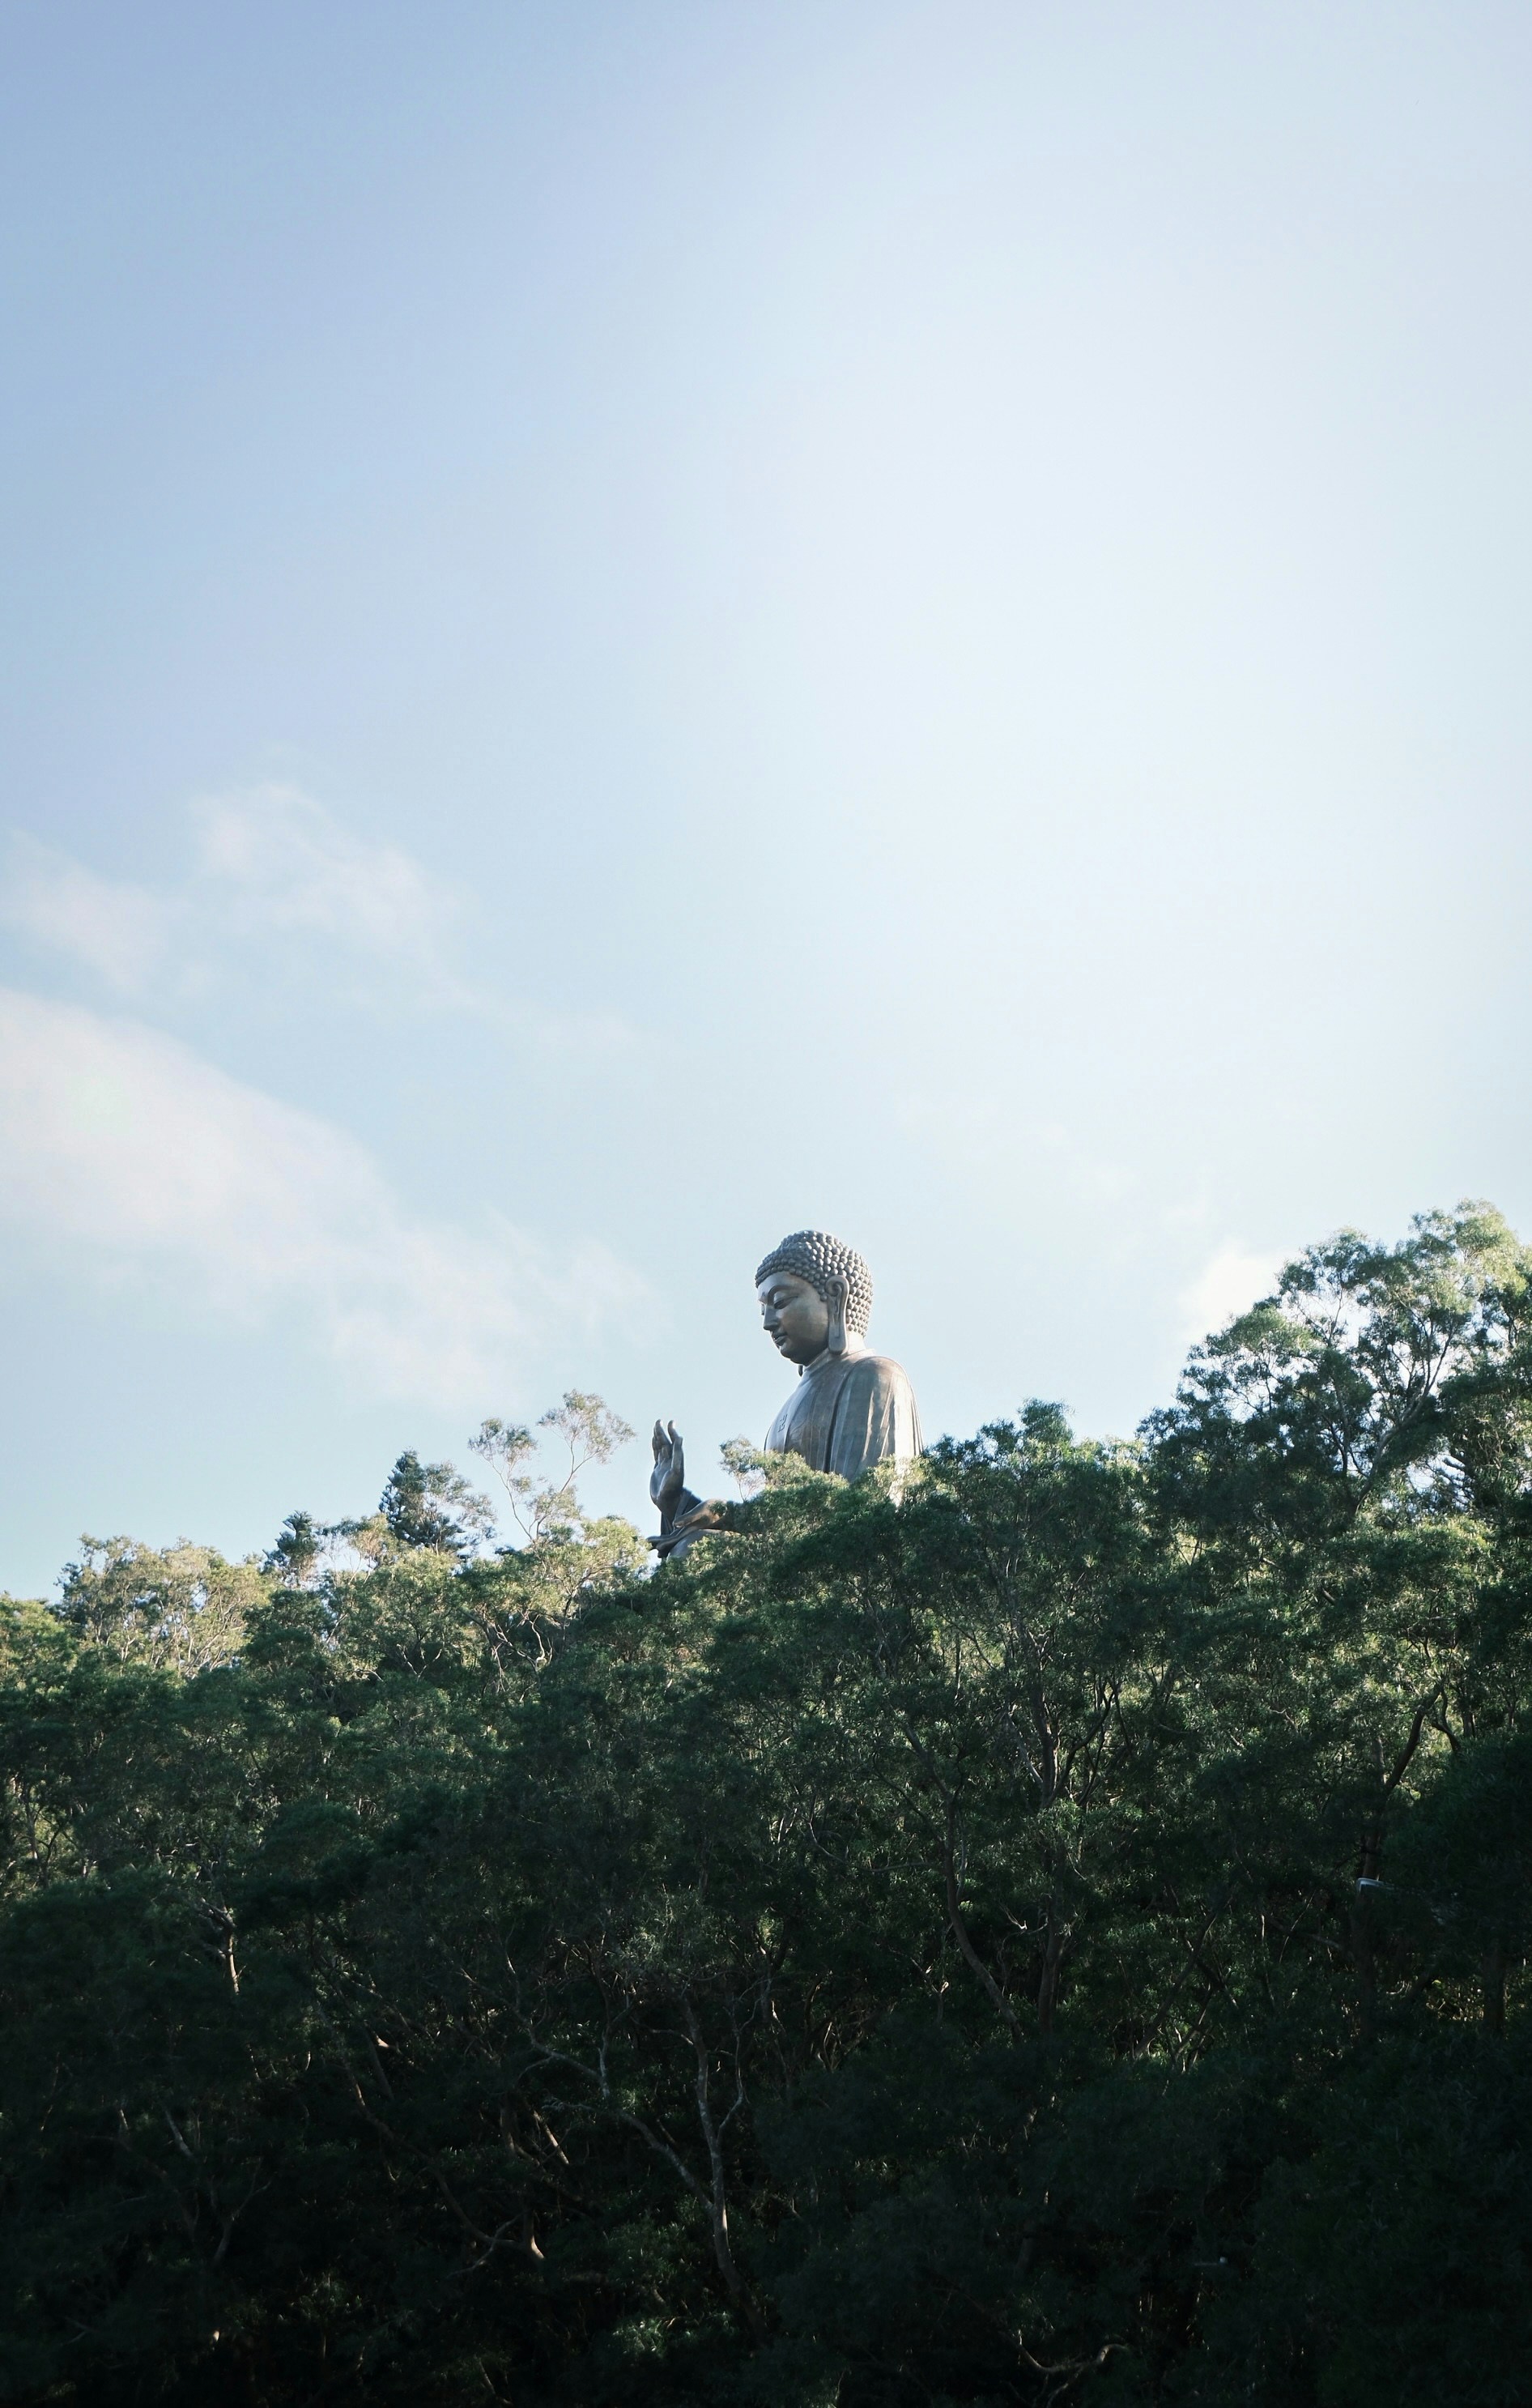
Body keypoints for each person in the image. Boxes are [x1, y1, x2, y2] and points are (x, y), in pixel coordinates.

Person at [650, 1228, 922, 1556]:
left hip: (842, 1569)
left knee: (694, 1552)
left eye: (779, 1302)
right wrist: (675, 1502)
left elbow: (870, 1510)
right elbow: (775, 1527)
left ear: (835, 1295)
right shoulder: (785, 1411)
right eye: (763, 1308)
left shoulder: (875, 1375)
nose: (767, 1322)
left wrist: (731, 1514)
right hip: (788, 1567)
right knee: (695, 1550)